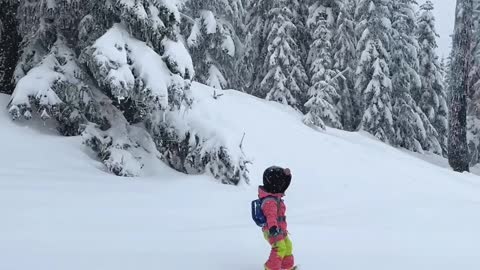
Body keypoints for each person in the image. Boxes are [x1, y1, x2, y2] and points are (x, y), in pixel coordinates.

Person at [259, 166, 295, 270]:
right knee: (280, 248)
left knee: (288, 246)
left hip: (280, 229)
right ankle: (270, 268)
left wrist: (287, 176)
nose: (284, 186)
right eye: (282, 183)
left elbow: (283, 184)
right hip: (272, 230)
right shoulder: (270, 201)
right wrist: (273, 228)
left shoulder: (276, 198)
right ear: (275, 185)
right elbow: (271, 216)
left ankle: (286, 267)